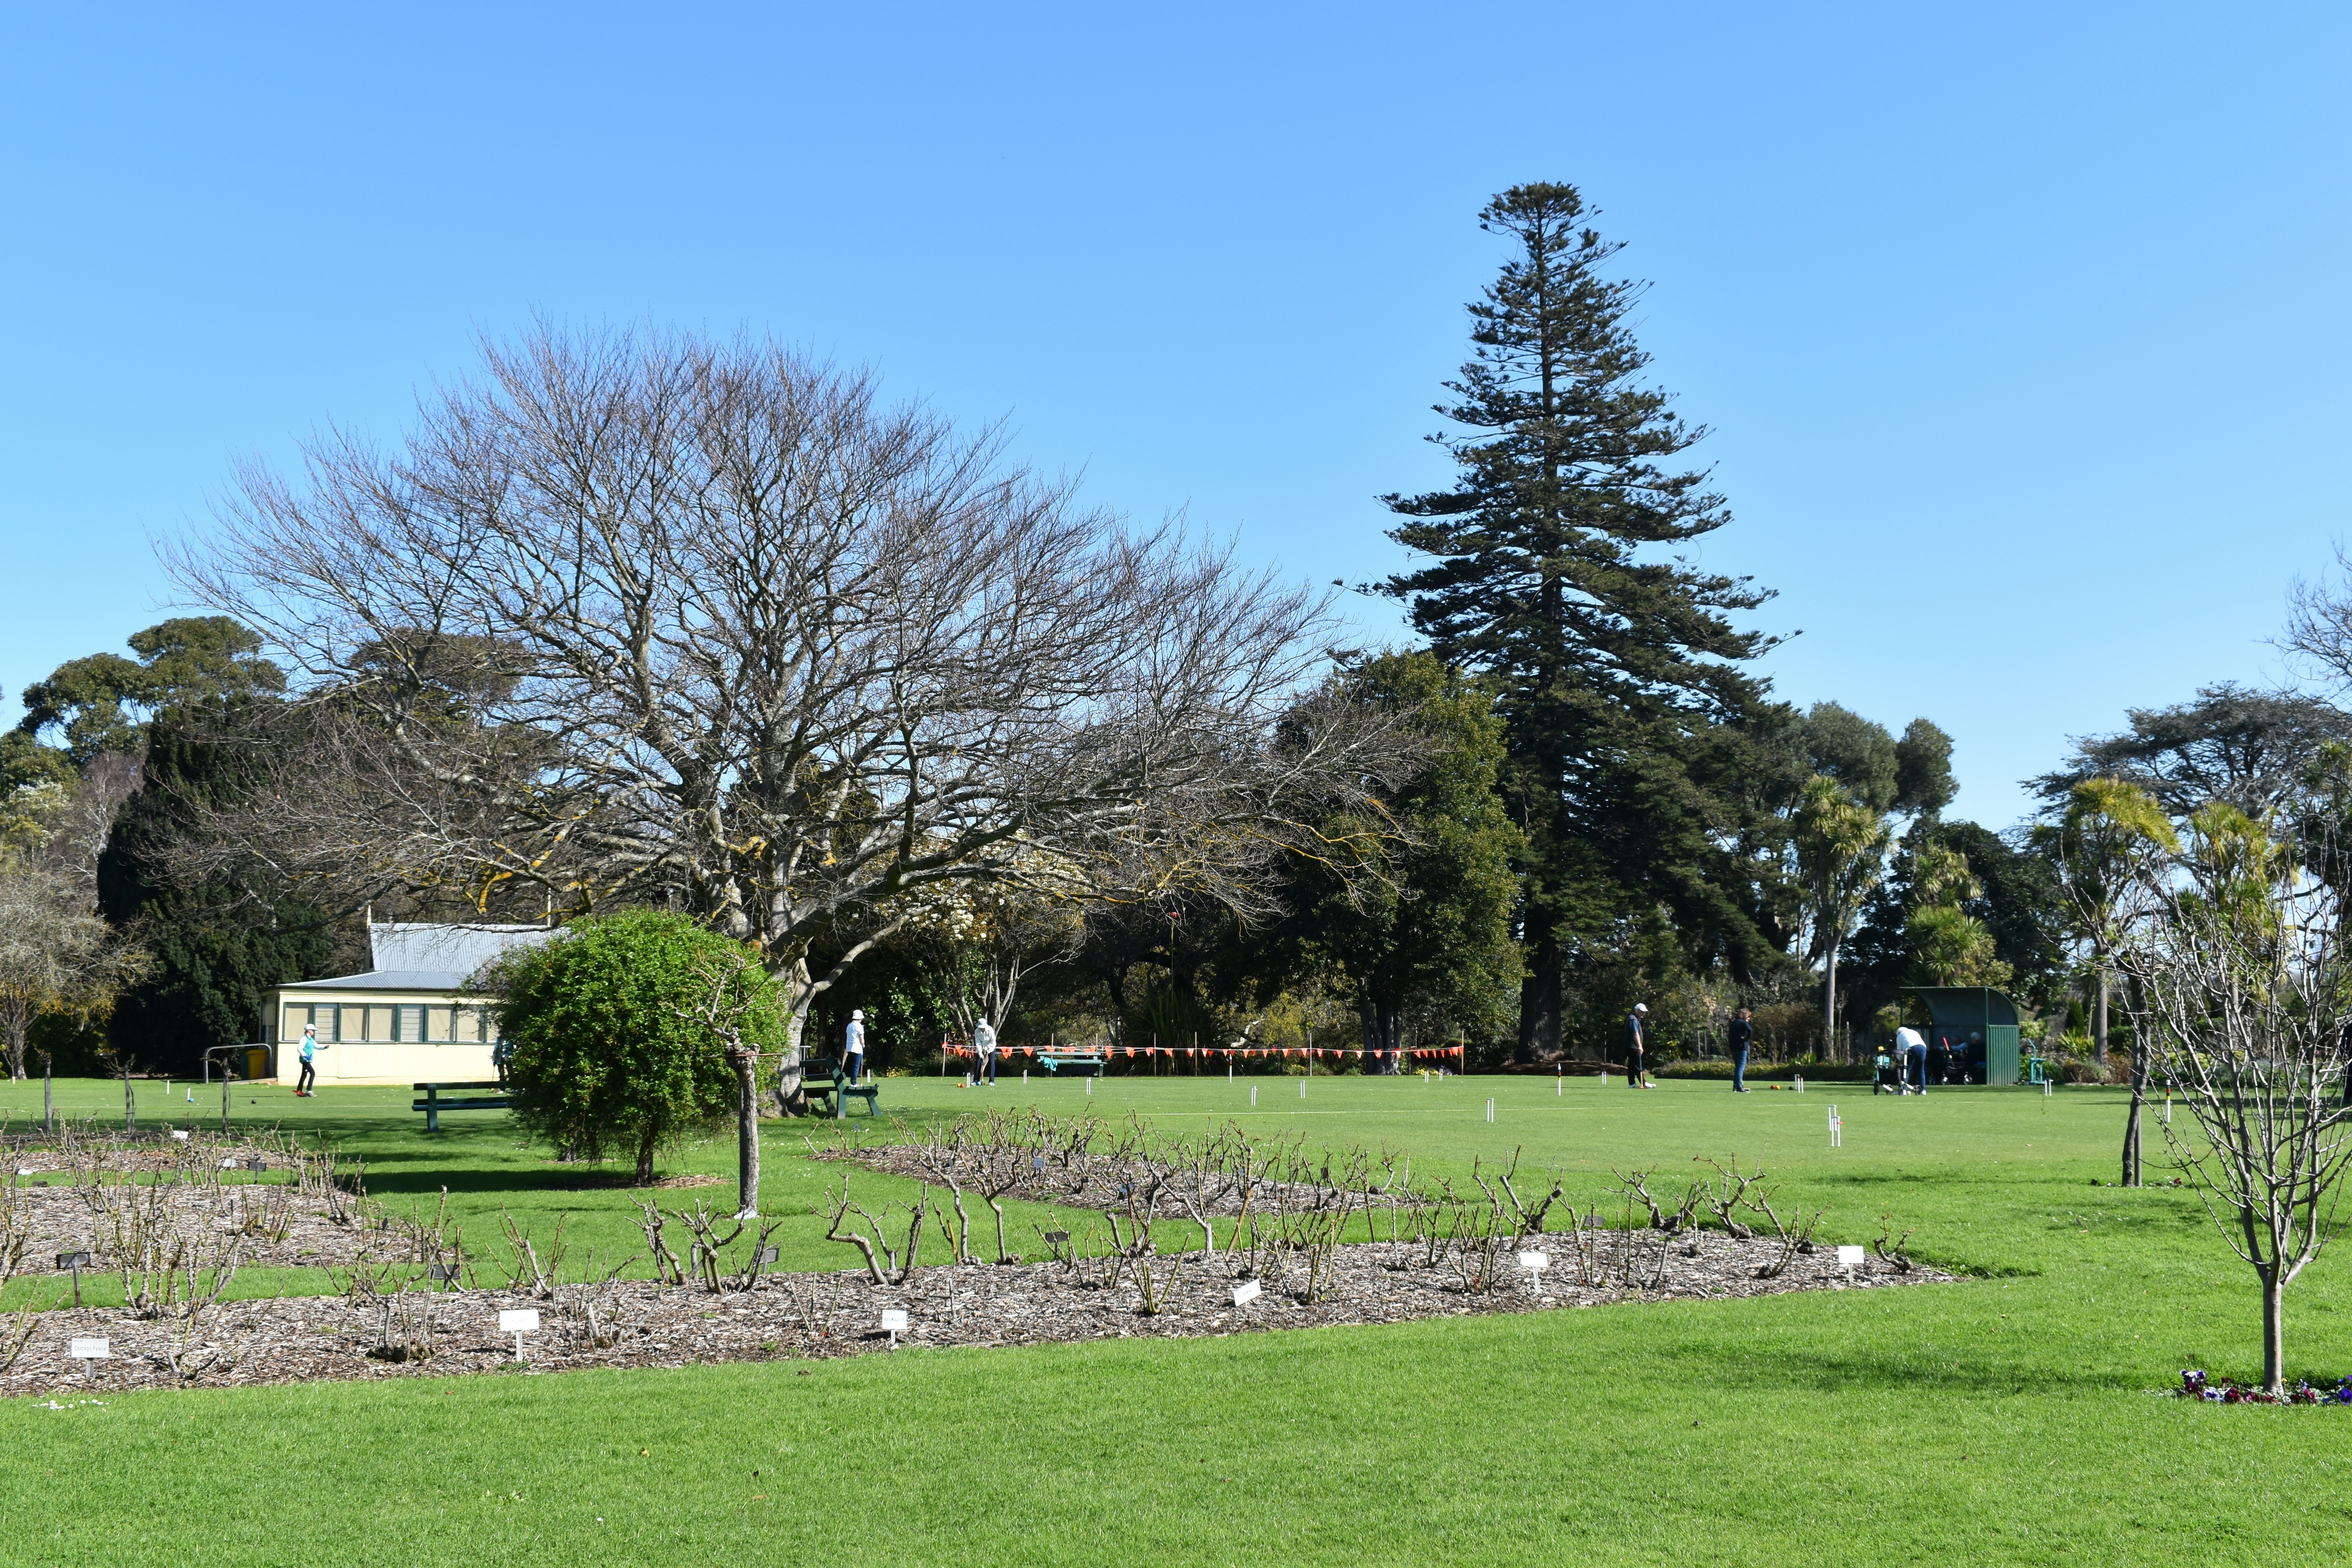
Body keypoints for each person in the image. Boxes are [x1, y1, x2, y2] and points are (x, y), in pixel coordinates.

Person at [1893, 1022, 1927, 1096]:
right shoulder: (1913, 1032)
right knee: (1921, 1070)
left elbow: (1900, 1051)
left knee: (1906, 1070)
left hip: (1912, 1049)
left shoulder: (1900, 1036)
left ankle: (1903, 1090)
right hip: (1923, 1048)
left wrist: (1901, 1062)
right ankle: (1923, 1090)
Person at [294, 1023, 327, 1096]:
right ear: (308, 1030)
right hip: (305, 1059)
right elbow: (300, 1048)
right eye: (313, 1030)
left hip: (308, 1059)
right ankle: (309, 1090)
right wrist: (305, 1056)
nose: (314, 1032)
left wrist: (324, 1047)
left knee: (304, 1075)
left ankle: (299, 1092)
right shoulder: (304, 1038)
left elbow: (317, 1046)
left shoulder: (311, 1040)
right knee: (313, 1073)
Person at [1727, 1006, 1754, 1093]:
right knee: (1741, 1067)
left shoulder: (1733, 1024)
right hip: (1742, 1047)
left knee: (1738, 1067)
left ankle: (1736, 1086)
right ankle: (1739, 1086)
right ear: (1744, 1016)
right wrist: (1747, 1039)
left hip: (1733, 1047)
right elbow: (1750, 1030)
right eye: (1748, 1017)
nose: (1749, 1019)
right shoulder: (1744, 1023)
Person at [1626, 1003, 1652, 1089]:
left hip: (1631, 1046)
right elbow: (1635, 1033)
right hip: (1634, 1046)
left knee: (1632, 1066)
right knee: (1637, 1065)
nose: (1644, 1014)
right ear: (1637, 1011)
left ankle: (1632, 1084)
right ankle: (1643, 1083)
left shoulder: (1634, 1019)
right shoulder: (1633, 1019)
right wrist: (1640, 1046)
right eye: (1642, 1012)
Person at [974, 1016, 998, 1085]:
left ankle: (992, 1081)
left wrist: (987, 1049)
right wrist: (981, 1055)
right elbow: (978, 1043)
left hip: (991, 1048)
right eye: (980, 1027)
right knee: (978, 1062)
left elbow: (994, 1042)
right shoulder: (977, 1031)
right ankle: (976, 1080)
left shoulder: (990, 1030)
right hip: (981, 1048)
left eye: (983, 1027)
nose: (981, 1029)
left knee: (991, 1062)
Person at [844, 1009, 866, 1085]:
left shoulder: (849, 1025)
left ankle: (853, 1082)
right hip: (857, 1048)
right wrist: (863, 1045)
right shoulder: (859, 1026)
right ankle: (854, 1083)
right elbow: (861, 1039)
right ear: (860, 1018)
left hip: (849, 1048)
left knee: (853, 1065)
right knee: (856, 1066)